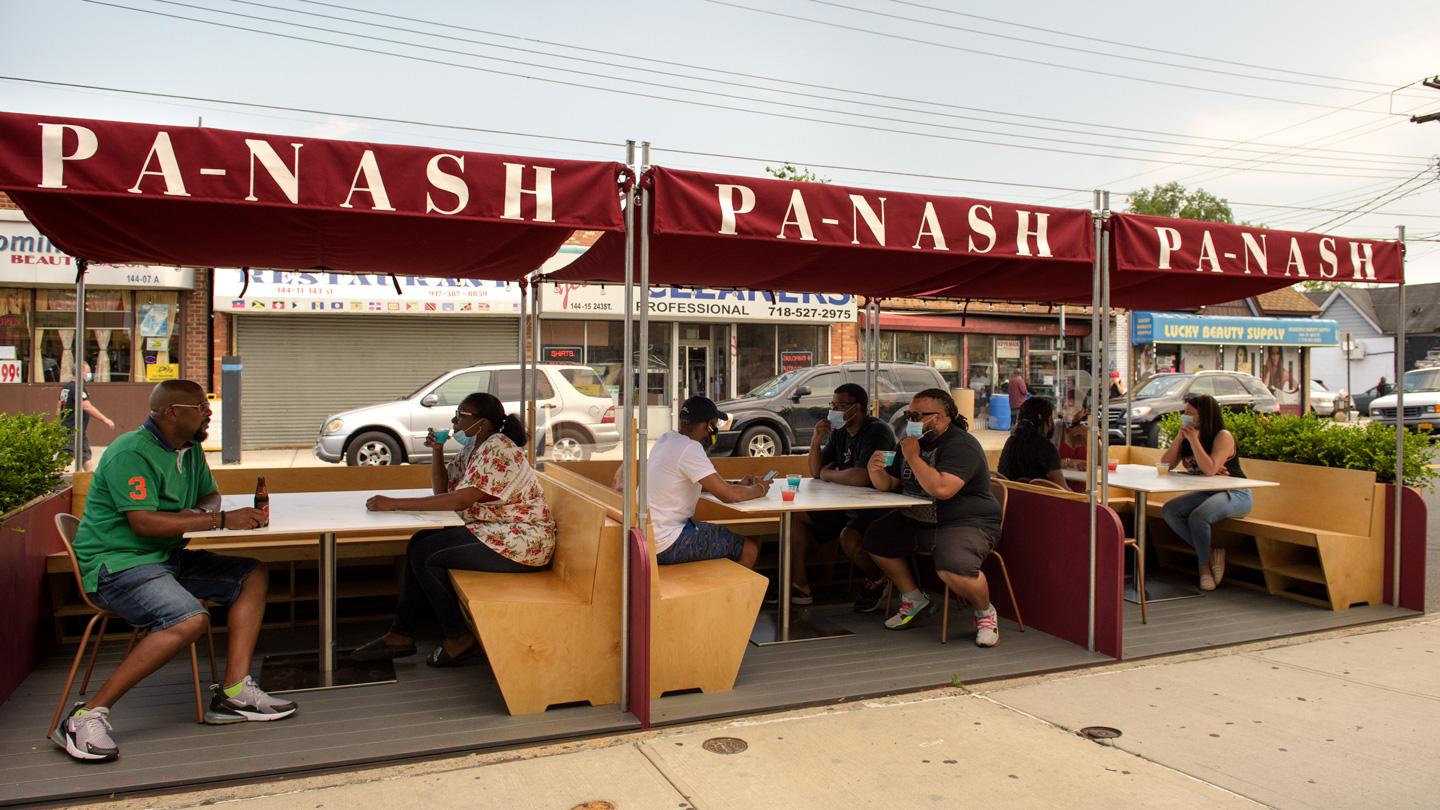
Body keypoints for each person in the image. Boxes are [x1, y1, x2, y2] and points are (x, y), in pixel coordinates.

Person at [57, 381, 291, 763]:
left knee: (252, 573)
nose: (209, 412)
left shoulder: (189, 449)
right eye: (200, 406)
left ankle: (233, 692)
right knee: (187, 619)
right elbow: (144, 524)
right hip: (118, 564)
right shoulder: (130, 452)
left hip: (164, 558)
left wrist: (201, 515)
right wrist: (217, 521)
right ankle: (85, 716)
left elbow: (209, 494)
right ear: (172, 413)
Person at [357, 393, 555, 667]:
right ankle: (402, 633)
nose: (455, 421)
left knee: (425, 552)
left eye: (462, 415)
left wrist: (394, 503)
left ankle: (456, 637)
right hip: (496, 532)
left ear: (483, 422)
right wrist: (436, 451)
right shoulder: (474, 448)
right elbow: (443, 491)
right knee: (420, 543)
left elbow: (460, 500)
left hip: (521, 541)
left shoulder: (498, 448)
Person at [864, 389, 1004, 647]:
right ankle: (913, 597)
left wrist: (914, 457)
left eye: (918, 415)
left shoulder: (961, 446)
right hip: (919, 517)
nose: (911, 420)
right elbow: (890, 483)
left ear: (939, 417)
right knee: (876, 537)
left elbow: (942, 489)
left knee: (954, 567)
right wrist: (875, 471)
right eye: (909, 414)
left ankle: (985, 613)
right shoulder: (910, 442)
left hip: (965, 521)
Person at [786, 383, 896, 611]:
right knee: (796, 516)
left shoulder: (877, 431)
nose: (834, 411)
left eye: (841, 405)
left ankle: (879, 580)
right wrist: (816, 440)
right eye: (832, 405)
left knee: (849, 537)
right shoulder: (839, 432)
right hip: (841, 504)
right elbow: (816, 471)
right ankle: (800, 586)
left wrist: (830, 474)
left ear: (857, 408)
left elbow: (862, 477)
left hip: (875, 507)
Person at [646, 396, 769, 567]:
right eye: (715, 424)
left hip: (651, 536)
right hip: (667, 541)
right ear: (708, 425)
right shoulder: (690, 448)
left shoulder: (666, 440)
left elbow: (699, 482)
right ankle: (728, 594)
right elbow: (729, 496)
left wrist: (736, 485)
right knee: (750, 549)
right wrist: (760, 489)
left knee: (732, 536)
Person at [1159, 394, 1252, 592]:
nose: (1185, 416)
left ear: (1204, 415)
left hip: (1235, 493)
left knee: (1198, 516)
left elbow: (1209, 469)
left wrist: (1194, 440)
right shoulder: (1187, 437)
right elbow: (1164, 465)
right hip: (1208, 493)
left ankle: (1204, 569)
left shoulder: (1222, 436)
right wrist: (1179, 438)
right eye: (1185, 412)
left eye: (1190, 413)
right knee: (1170, 510)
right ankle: (1210, 554)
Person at [57, 362, 115, 472]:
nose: (89, 375)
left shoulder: (66, 387)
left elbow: (59, 406)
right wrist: (105, 419)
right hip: (73, 429)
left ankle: (89, 482)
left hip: (74, 429)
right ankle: (54, 480)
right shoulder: (78, 388)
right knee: (66, 455)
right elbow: (87, 406)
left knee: (85, 456)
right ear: (80, 372)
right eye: (87, 372)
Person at [997, 397, 1066, 487]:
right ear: (1047, 420)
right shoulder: (1046, 447)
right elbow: (1063, 489)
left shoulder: (1011, 441)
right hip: (1037, 499)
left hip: (1008, 498)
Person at [1058, 405, 1090, 471]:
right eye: (1067, 408)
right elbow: (1046, 462)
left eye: (1077, 409)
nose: (1071, 412)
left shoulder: (1088, 431)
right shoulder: (1055, 428)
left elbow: (1100, 463)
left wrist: (1093, 437)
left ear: (1084, 412)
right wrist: (1070, 463)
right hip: (1057, 480)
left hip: (1083, 480)